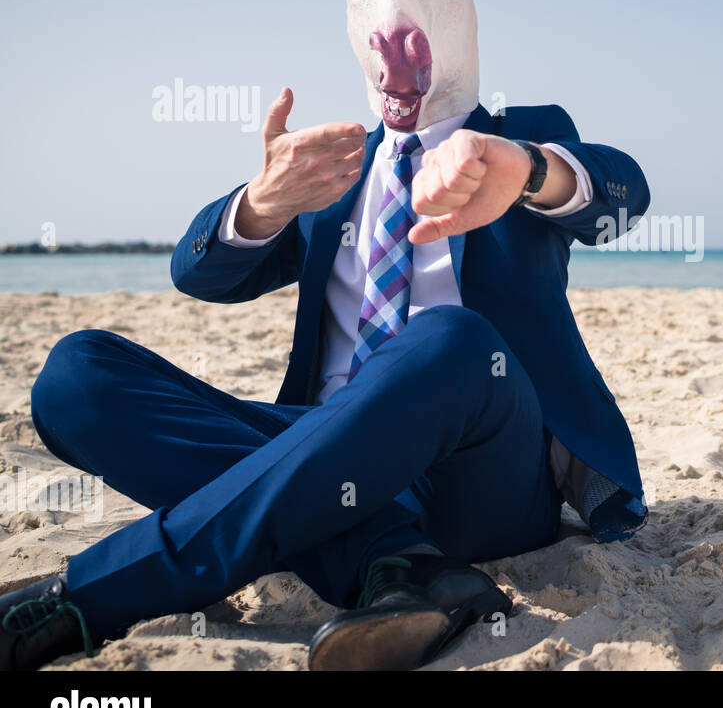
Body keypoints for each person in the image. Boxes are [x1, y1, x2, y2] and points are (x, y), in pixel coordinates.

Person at [0, 91, 650, 671]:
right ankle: (398, 564)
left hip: (479, 462)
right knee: (76, 376)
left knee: (453, 336)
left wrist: (528, 167)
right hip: (331, 446)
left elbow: (623, 200)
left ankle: (88, 597)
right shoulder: (334, 169)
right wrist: (259, 202)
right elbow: (198, 275)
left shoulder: (520, 134)